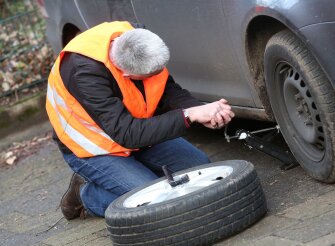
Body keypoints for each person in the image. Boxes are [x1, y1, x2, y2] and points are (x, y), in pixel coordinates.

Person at [46, 21, 234, 219]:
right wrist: (188, 116)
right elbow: (126, 134)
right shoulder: (84, 73)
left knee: (199, 167)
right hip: (93, 148)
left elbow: (167, 90)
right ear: (126, 74)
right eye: (149, 76)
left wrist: (200, 110)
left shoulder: (139, 42)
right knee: (151, 199)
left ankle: (135, 177)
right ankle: (85, 195)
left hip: (135, 132)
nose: (157, 76)